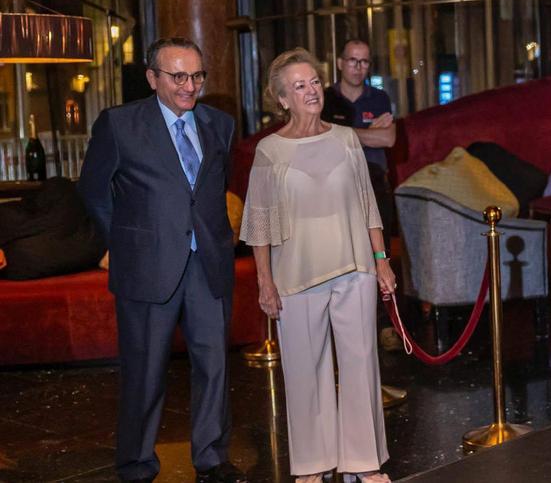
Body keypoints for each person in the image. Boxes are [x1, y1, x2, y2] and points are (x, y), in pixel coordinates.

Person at [77, 38, 245, 483]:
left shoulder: (220, 124)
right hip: (147, 268)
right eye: (179, 76)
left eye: (197, 76)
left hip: (208, 266)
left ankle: (211, 456)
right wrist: (125, 244)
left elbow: (209, 195)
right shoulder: (119, 125)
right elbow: (94, 192)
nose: (190, 86)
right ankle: (135, 464)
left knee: (214, 366)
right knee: (145, 372)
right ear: (153, 78)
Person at [241, 48, 395, 483]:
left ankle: (363, 462)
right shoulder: (269, 151)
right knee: (305, 370)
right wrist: (264, 283)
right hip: (296, 275)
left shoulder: (345, 138)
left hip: (355, 267)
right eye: (299, 86)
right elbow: (259, 225)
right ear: (283, 99)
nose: (310, 91)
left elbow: (367, 204)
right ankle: (312, 465)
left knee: (362, 362)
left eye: (313, 82)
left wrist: (381, 261)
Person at [322, 38, 397, 239]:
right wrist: (370, 132)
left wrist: (342, 132)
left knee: (380, 249)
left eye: (364, 62)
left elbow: (388, 139)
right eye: (352, 60)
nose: (358, 67)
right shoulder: (325, 98)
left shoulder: (379, 98)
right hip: (336, 181)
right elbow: (323, 139)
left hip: (374, 181)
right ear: (340, 63)